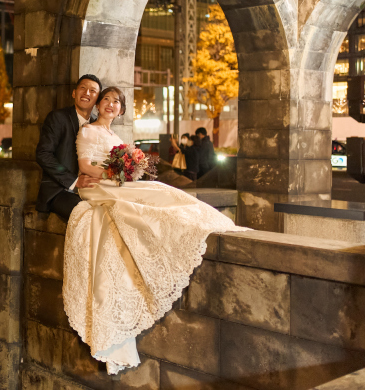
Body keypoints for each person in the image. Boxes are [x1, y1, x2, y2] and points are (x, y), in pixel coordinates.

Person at [63, 86, 248, 375]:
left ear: (122, 110)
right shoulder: (88, 131)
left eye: (117, 102)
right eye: (106, 100)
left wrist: (128, 171)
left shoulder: (116, 137)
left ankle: (200, 222)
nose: (111, 105)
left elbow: (119, 166)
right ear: (99, 106)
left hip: (116, 182)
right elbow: (85, 165)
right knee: (146, 198)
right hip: (99, 188)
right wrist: (115, 172)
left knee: (158, 189)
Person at [35, 74, 102, 221]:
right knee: (88, 216)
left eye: (93, 91)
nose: (87, 93)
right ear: (74, 93)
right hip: (60, 191)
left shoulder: (99, 125)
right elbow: (43, 154)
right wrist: (74, 181)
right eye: (83, 88)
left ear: (98, 100)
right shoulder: (58, 118)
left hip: (92, 191)